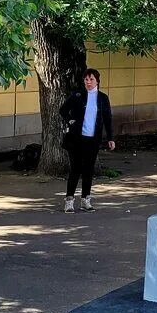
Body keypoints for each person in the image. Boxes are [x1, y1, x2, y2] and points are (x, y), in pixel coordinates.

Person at [59, 68, 115, 213]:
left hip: (93, 139)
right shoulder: (78, 95)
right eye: (86, 79)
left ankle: (86, 200)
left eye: (91, 79)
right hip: (76, 139)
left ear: (97, 81)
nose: (88, 82)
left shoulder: (102, 98)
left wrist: (110, 138)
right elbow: (63, 110)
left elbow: (108, 119)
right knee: (75, 169)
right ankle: (69, 200)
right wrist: (70, 120)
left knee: (88, 170)